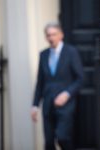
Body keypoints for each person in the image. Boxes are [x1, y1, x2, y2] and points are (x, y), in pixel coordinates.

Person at [31, 22, 84, 150]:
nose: (51, 38)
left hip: (66, 105)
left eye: (54, 34)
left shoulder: (71, 52)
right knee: (49, 143)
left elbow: (80, 78)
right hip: (48, 104)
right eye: (48, 35)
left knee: (63, 138)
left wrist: (66, 94)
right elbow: (40, 82)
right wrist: (35, 105)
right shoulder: (43, 54)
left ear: (61, 35)